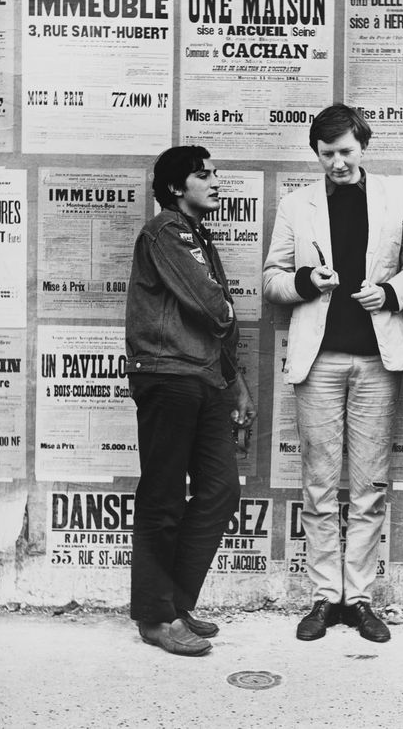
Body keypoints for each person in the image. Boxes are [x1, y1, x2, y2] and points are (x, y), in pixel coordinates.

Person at [263, 104, 403, 643]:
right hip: (318, 361)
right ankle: (323, 597)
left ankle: (358, 599)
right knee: (317, 485)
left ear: (364, 147)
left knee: (368, 487)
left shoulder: (395, 200)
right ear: (316, 152)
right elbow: (271, 279)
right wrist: (307, 282)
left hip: (376, 360)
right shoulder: (296, 204)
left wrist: (388, 293)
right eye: (327, 152)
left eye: (346, 151)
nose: (337, 162)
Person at [125, 145, 256, 656]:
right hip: (166, 374)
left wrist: (237, 382)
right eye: (205, 175)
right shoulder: (164, 232)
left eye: (216, 172)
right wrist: (225, 307)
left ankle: (175, 603)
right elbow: (209, 305)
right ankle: (155, 618)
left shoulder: (197, 237)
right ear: (178, 188)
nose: (216, 181)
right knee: (162, 497)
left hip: (203, 378)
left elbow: (213, 320)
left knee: (221, 490)